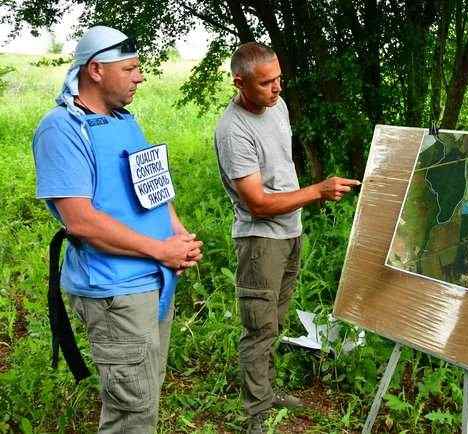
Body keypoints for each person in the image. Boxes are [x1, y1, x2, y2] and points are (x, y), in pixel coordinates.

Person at [32, 26, 202, 433]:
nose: (139, 77)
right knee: (132, 410)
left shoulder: (125, 120)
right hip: (115, 290)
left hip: (154, 279)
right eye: (130, 69)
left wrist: (176, 234)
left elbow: (154, 187)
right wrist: (160, 250)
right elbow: (81, 220)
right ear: (95, 70)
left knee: (146, 391)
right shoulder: (62, 129)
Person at [214, 42, 360, 433]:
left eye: (279, 78)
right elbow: (258, 204)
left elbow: (280, 165)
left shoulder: (276, 105)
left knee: (274, 322)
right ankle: (255, 416)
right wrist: (316, 191)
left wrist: (302, 202)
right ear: (240, 83)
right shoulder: (233, 131)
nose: (278, 88)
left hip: (290, 231)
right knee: (259, 328)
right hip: (261, 241)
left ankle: (266, 390)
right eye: (266, 83)